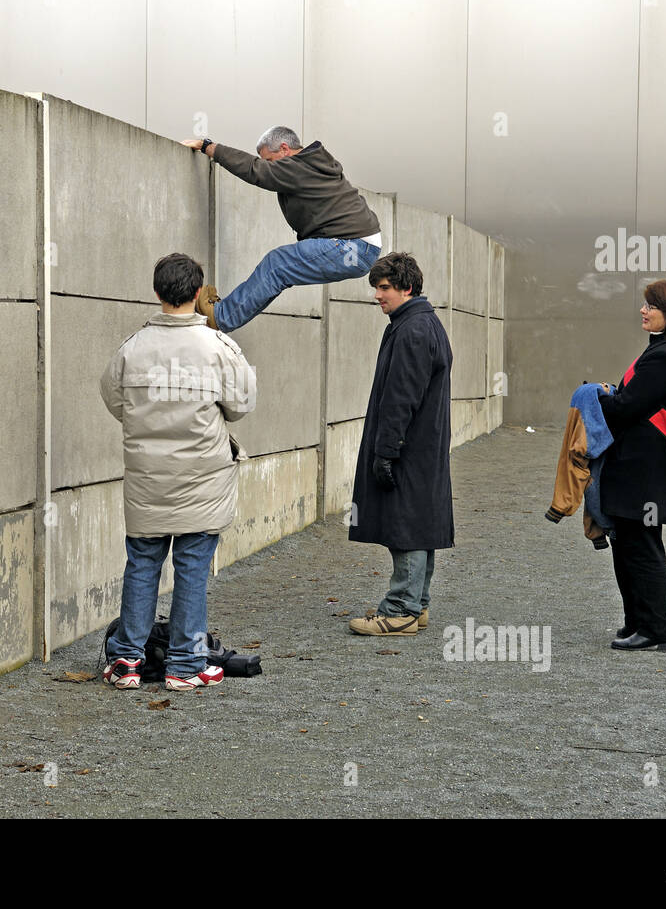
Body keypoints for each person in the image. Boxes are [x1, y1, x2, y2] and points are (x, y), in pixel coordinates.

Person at [99, 252, 257, 690]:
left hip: (147, 480)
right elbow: (242, 404)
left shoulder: (132, 348)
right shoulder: (218, 347)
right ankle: (186, 665)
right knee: (191, 567)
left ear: (157, 292)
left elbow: (114, 400)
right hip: (202, 480)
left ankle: (126, 660)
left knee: (142, 563)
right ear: (198, 292)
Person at [346, 252, 454, 635]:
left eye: (384, 287)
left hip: (408, 448)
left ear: (406, 287)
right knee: (420, 523)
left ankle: (400, 611)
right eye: (376, 287)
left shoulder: (412, 330)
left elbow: (400, 399)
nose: (377, 295)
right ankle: (417, 604)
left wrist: (386, 452)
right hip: (422, 448)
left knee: (405, 524)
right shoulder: (423, 323)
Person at [180, 126, 382, 331]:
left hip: (352, 246)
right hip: (360, 246)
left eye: (269, 160)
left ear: (285, 149)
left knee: (277, 264)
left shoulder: (299, 166)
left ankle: (221, 317)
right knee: (279, 272)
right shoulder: (312, 163)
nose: (269, 166)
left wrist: (208, 147)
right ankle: (226, 315)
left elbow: (256, 170)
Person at [598, 279, 666, 652]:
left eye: (651, 306)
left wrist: (598, 397)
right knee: (629, 543)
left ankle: (656, 631)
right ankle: (638, 622)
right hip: (646, 466)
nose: (643, 310)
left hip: (643, 468)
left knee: (641, 546)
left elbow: (626, 408)